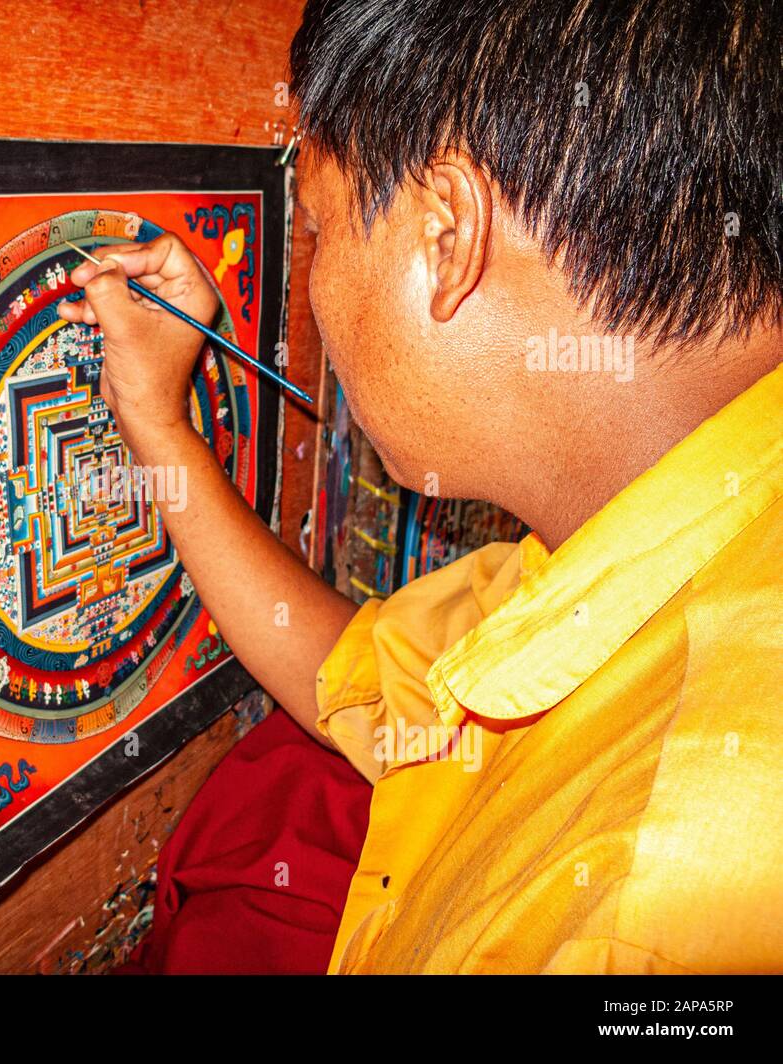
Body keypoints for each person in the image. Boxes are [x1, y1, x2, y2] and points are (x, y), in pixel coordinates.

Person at [58, 0, 783, 974]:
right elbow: (365, 680)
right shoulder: (680, 510)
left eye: (317, 225)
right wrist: (156, 416)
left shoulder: (639, 920)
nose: (314, 288)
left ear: (446, 234)